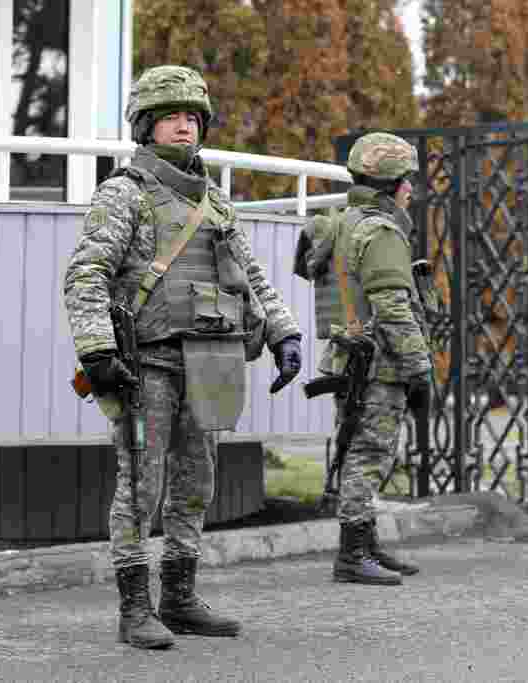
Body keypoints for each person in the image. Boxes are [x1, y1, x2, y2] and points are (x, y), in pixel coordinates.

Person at [63, 65, 303, 650]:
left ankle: (179, 596)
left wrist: (284, 334)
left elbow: (250, 278)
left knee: (197, 482)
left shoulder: (215, 202)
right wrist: (96, 350)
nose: (184, 126)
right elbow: (86, 275)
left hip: (212, 360)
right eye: (171, 116)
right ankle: (135, 607)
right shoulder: (124, 194)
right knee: (141, 485)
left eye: (193, 117)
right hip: (146, 365)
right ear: (146, 125)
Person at [297, 132, 429, 586]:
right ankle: (352, 554)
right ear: (391, 185)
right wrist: (419, 371)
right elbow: (393, 308)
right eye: (406, 180)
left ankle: (365, 543)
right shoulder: (381, 231)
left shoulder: (340, 222)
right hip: (378, 364)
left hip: (346, 359)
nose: (411, 189)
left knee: (357, 448)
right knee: (368, 453)